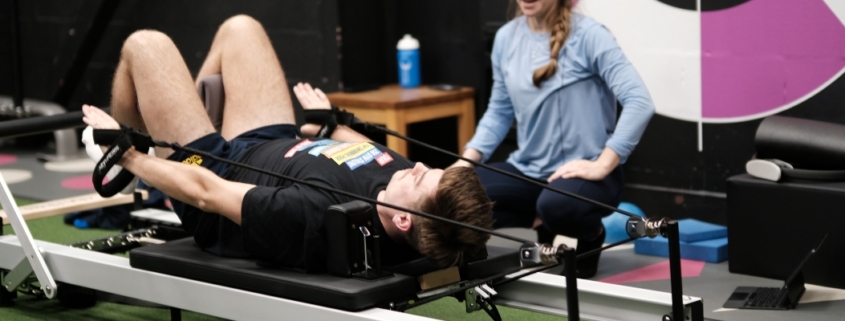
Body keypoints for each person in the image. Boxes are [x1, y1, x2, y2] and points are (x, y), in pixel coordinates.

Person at [82, 15, 493, 272]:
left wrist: (129, 153)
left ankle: (130, 147)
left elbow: (208, 194)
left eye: (423, 178)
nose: (417, 166)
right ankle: (183, 121)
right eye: (430, 169)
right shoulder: (403, 189)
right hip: (273, 141)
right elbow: (372, 153)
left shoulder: (318, 216)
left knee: (145, 45)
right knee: (240, 29)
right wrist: (333, 126)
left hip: (210, 170)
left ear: (403, 221)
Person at [451, 0, 655, 278]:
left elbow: (640, 102)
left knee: (558, 206)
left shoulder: (591, 35)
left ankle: (589, 233)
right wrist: (464, 163)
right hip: (528, 170)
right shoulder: (506, 37)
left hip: (587, 174)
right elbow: (499, 111)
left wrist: (603, 164)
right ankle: (543, 222)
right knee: (458, 197)